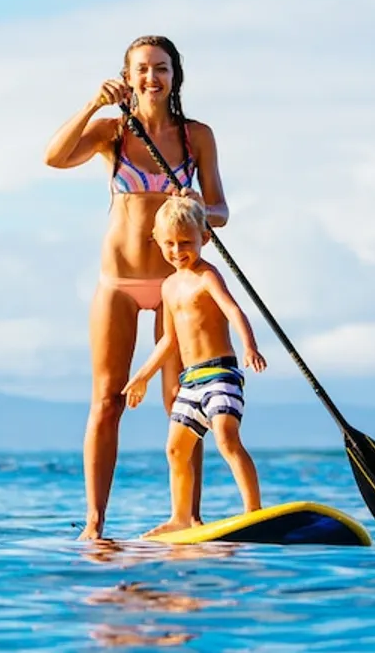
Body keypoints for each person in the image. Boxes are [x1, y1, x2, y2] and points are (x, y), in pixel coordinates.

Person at [43, 35, 228, 540]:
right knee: (108, 400)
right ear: (127, 77)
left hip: (177, 285)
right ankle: (95, 524)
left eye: (161, 68)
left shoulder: (197, 137)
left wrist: (200, 207)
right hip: (119, 283)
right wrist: (92, 104)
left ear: (174, 76)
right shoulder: (113, 131)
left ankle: (187, 517)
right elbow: (54, 158)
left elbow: (221, 211)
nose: (152, 77)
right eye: (142, 69)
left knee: (183, 400)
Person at [124, 196, 266, 535]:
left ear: (205, 237)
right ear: (157, 241)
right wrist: (142, 377)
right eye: (170, 243)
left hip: (220, 374)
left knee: (226, 438)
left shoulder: (207, 276)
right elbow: (168, 341)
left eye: (186, 242)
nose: (177, 251)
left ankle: (254, 511)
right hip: (190, 382)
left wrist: (249, 345)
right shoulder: (169, 286)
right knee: (175, 449)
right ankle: (180, 517)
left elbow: (233, 310)